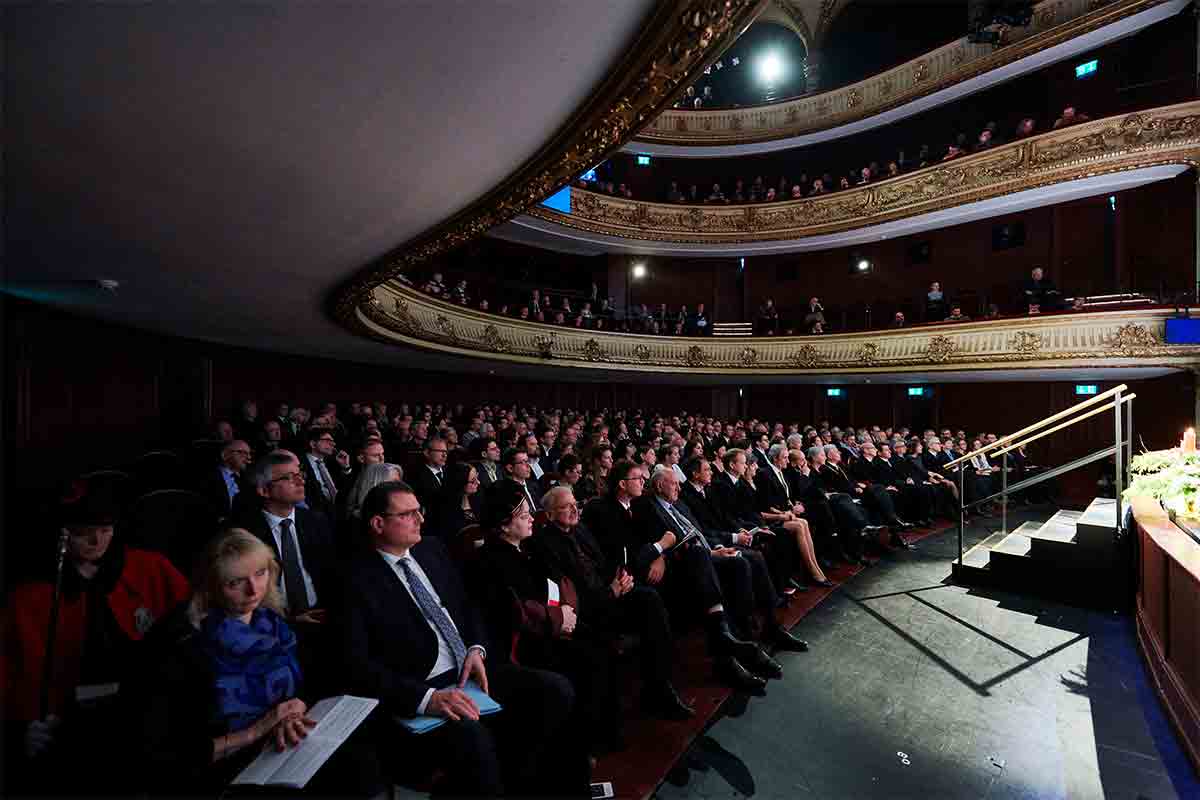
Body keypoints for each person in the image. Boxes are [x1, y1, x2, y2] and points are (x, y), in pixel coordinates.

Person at [340, 482, 589, 796]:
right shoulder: (354, 578)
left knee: (557, 689)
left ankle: (537, 785)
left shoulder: (430, 549)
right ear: (378, 523)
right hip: (423, 685)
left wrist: (475, 647)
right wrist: (427, 698)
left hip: (470, 668)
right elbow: (358, 665)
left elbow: (467, 606)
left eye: (420, 511)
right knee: (473, 738)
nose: (420, 519)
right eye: (408, 514)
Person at [129, 530, 386, 797]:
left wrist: (296, 708)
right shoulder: (179, 645)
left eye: (260, 573)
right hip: (223, 762)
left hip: (280, 743)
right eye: (235, 582)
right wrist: (257, 730)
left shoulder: (275, 624)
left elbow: (304, 684)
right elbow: (163, 750)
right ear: (210, 586)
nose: (254, 589)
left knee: (361, 763)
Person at [3, 478, 191, 795]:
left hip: (145, 714)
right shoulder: (28, 596)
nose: (96, 540)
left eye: (105, 529)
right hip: (72, 726)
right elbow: (11, 675)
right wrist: (17, 730)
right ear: (61, 532)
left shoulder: (149, 567)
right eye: (82, 531)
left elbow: (192, 634)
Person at [583, 461, 769, 692]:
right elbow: (628, 553)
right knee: (705, 563)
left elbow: (656, 539)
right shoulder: (604, 509)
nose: (644, 481)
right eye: (638, 479)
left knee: (728, 564)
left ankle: (737, 642)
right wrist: (659, 549)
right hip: (637, 579)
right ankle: (725, 649)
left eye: (644, 478)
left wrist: (659, 553)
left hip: (663, 565)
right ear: (622, 484)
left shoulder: (638, 504)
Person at [473, 484, 621, 756]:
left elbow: (559, 581)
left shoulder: (527, 548)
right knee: (590, 657)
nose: (532, 518)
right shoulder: (491, 560)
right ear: (504, 525)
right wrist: (557, 616)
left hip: (558, 624)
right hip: (530, 641)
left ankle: (599, 735)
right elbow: (515, 612)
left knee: (601, 644)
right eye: (523, 515)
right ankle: (583, 745)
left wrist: (565, 610)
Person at [532, 487, 694, 720]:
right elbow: (568, 593)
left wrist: (621, 578)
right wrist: (611, 592)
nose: (574, 510)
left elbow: (603, 562)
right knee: (643, 607)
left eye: (575, 504)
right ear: (548, 515)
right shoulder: (544, 545)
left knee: (650, 599)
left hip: (609, 593)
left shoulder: (581, 530)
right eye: (565, 507)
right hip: (587, 611)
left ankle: (659, 686)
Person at [426, 462, 482, 541]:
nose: (478, 482)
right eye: (473, 481)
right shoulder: (442, 506)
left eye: (477, 478)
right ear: (460, 482)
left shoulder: (477, 497)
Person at [343, 462, 404, 530]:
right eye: (392, 483)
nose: (399, 487)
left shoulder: (394, 511)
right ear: (375, 483)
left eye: (398, 483)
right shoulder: (359, 521)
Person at [410, 435, 450, 512]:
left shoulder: (452, 472)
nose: (444, 455)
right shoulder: (416, 477)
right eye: (440, 451)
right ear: (427, 453)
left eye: (445, 452)